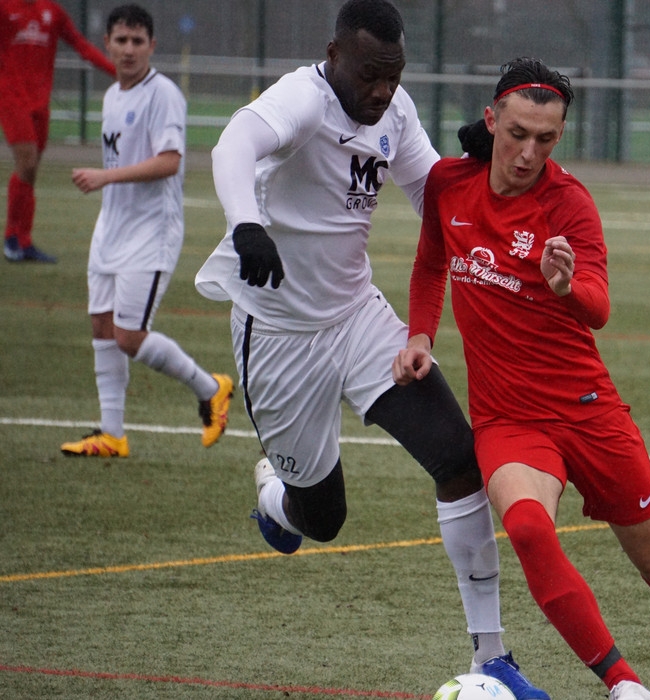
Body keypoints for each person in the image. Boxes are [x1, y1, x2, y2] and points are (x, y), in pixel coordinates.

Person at [193, 2, 546, 697]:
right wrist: (246, 226)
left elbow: (432, 193)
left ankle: (492, 656)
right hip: (280, 338)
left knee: (459, 458)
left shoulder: (395, 109)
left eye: (394, 75)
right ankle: (275, 497)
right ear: (334, 55)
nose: (382, 90)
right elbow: (232, 144)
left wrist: (478, 169)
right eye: (370, 75)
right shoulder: (303, 97)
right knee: (322, 519)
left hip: (359, 321)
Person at [392, 57, 650, 700]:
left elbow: (599, 306)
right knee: (529, 528)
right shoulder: (449, 185)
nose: (528, 152)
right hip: (510, 421)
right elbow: (429, 264)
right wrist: (420, 333)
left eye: (546, 139)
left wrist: (565, 288)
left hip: (590, 413)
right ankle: (623, 685)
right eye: (518, 134)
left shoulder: (569, 204)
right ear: (491, 120)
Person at [60, 4, 232, 458]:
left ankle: (211, 387)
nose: (129, 49)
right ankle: (112, 435)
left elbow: (170, 161)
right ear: (108, 45)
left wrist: (103, 177)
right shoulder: (113, 95)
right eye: (121, 40)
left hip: (151, 233)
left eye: (138, 41)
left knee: (129, 337)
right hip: (110, 229)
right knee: (102, 326)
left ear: (152, 46)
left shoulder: (164, 95)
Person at [0, 0, 116, 263]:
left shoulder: (51, 12)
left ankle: (22, 240)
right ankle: (12, 239)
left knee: (31, 169)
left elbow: (81, 46)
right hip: (10, 98)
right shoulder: (5, 8)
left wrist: (116, 71)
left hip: (40, 102)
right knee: (26, 162)